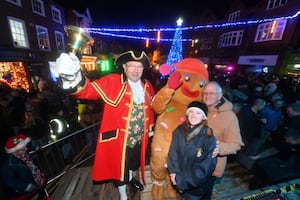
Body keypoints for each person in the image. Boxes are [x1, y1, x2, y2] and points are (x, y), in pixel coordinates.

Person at [50, 50, 155, 200]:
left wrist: (150, 128)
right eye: (132, 66)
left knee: (132, 164)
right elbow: (87, 91)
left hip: (139, 138)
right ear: (124, 67)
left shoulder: (147, 85)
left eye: (139, 66)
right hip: (119, 140)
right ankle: (123, 194)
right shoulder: (112, 81)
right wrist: (72, 76)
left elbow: (150, 109)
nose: (136, 70)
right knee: (120, 169)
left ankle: (131, 178)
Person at [202, 81, 244, 198]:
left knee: (204, 193)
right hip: (193, 162)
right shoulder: (200, 109)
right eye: (205, 93)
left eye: (211, 93)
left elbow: (236, 144)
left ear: (219, 96)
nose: (207, 96)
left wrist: (219, 148)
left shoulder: (229, 116)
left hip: (211, 166)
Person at [167, 101, 217, 200]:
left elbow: (205, 168)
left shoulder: (208, 137)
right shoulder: (179, 131)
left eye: (198, 113)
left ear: (203, 117)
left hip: (197, 188)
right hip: (178, 181)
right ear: (187, 114)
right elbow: (173, 156)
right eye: (191, 112)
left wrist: (181, 181)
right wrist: (175, 176)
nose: (193, 116)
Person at [0, 134, 47, 200]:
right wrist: (26, 186)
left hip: (35, 184)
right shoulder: (8, 164)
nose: (26, 149)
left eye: (26, 147)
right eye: (23, 149)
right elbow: (9, 181)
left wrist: (35, 148)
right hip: (23, 193)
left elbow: (27, 149)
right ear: (14, 152)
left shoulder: (22, 153)